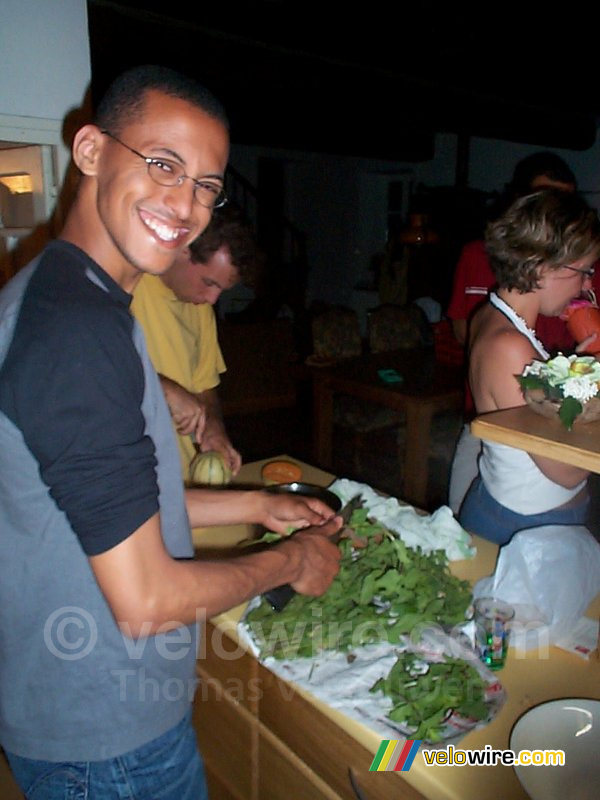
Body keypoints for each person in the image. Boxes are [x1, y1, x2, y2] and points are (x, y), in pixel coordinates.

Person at [0, 64, 342, 799]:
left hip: (74, 712)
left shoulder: (69, 298)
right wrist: (290, 562)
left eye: (207, 187)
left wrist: (257, 507)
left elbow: (111, 510)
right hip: (107, 736)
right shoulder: (77, 333)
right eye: (163, 165)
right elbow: (147, 599)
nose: (186, 204)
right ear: (91, 150)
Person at [446, 151, 600, 513]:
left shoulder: (493, 313)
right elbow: (566, 470)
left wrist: (582, 372)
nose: (586, 284)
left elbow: (539, 414)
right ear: (544, 267)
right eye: (583, 271)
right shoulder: (510, 347)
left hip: (519, 508)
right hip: (529, 525)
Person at [131, 205, 260, 479]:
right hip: (133, 478)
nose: (213, 299)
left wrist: (214, 428)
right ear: (183, 249)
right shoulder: (127, 285)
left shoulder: (201, 307)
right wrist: (163, 389)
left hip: (184, 479)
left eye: (221, 290)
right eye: (208, 282)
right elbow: (92, 370)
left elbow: (205, 387)